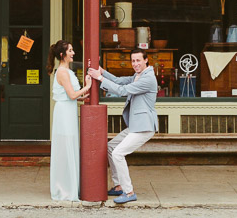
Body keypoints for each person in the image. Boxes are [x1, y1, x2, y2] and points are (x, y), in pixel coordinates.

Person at [88, 48, 158, 204]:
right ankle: (118, 186)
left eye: (138, 60)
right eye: (133, 61)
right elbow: (119, 81)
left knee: (118, 153)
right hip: (136, 125)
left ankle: (129, 191)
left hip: (144, 126)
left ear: (146, 60)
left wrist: (99, 78)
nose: (135, 64)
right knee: (111, 147)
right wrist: (102, 71)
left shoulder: (148, 79)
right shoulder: (138, 75)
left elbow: (122, 90)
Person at [47, 40, 92, 201]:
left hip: (68, 109)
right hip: (64, 113)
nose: (73, 53)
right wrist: (87, 86)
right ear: (62, 54)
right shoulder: (62, 72)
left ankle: (70, 185)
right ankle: (64, 188)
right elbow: (72, 95)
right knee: (65, 147)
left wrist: (82, 97)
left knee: (70, 146)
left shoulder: (68, 71)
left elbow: (71, 96)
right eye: (70, 50)